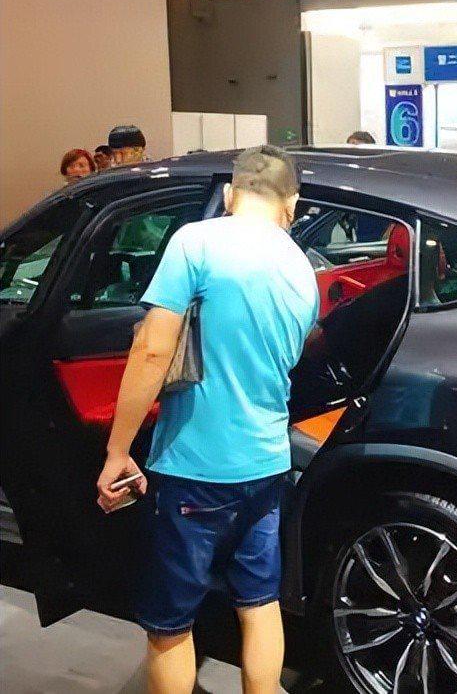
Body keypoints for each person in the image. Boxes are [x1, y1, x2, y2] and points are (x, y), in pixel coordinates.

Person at [96, 145, 319, 694]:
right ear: (292, 203)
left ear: (229, 193)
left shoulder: (195, 243)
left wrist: (118, 451)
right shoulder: (303, 268)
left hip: (194, 467)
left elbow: (152, 350)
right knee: (259, 604)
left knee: (169, 626)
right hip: (267, 465)